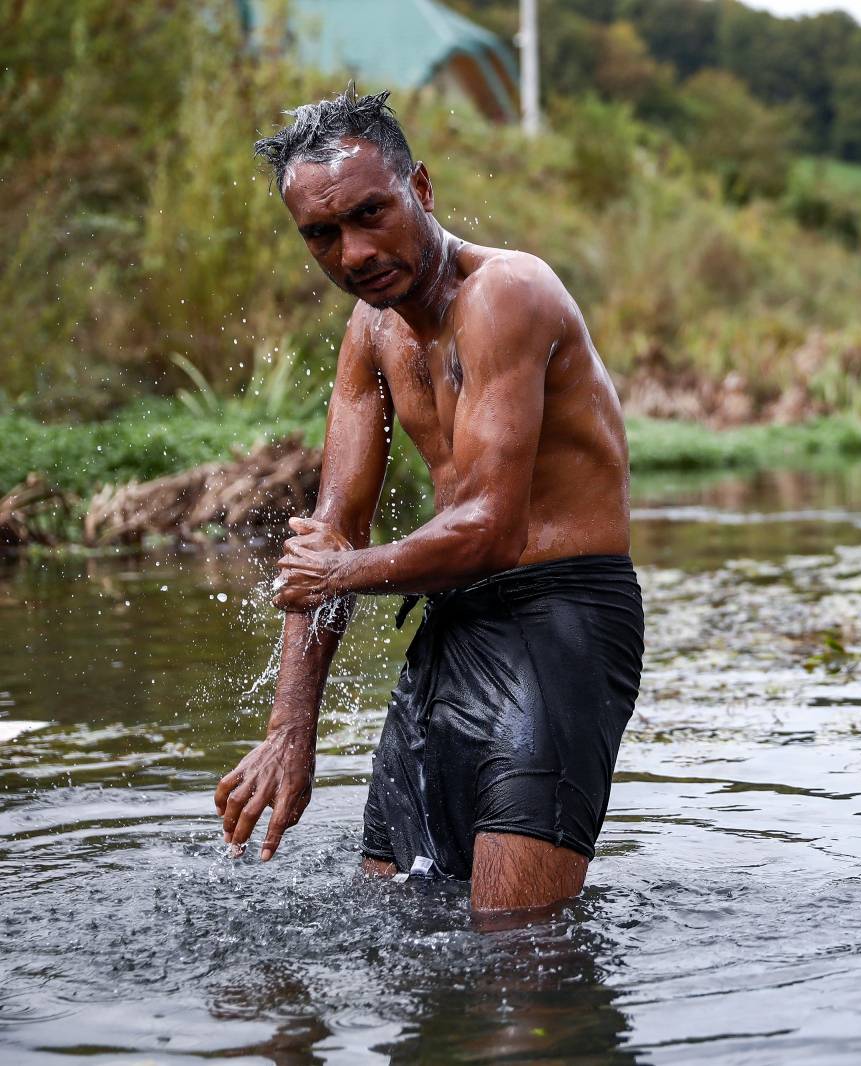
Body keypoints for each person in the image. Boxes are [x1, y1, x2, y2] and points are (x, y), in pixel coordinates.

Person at [212, 87, 643, 922]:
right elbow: (328, 540)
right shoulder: (370, 332)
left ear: (423, 188)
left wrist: (342, 569)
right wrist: (290, 730)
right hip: (452, 623)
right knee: (397, 921)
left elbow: (488, 527)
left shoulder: (507, 294)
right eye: (323, 235)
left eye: (372, 213)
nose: (356, 252)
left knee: (518, 951)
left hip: (563, 621)